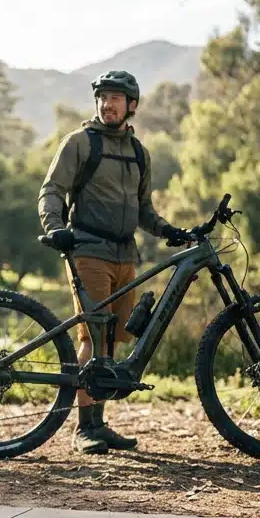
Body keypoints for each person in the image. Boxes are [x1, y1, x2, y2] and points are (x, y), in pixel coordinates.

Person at [38, 69, 192, 455]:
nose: (107, 104)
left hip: (126, 255)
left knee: (111, 340)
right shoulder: (80, 143)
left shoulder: (139, 153)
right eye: (102, 97)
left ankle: (98, 424)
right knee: (92, 336)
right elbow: (52, 191)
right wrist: (55, 227)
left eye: (116, 98)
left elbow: (144, 210)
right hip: (88, 251)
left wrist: (168, 230)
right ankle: (83, 430)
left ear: (132, 106)